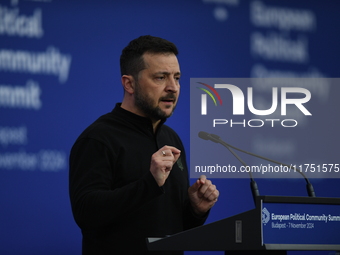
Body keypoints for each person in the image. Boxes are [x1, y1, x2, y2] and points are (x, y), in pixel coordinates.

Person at [69, 35, 219, 255]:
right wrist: (149, 183)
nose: (173, 88)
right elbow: (86, 213)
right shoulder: (98, 138)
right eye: (161, 78)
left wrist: (196, 210)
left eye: (177, 78)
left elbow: (174, 229)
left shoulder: (172, 139)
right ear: (129, 83)